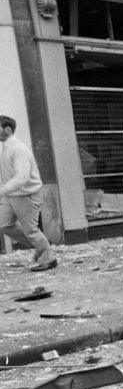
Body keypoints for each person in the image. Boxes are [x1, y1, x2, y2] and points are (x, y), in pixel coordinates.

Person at [0, 115, 57, 272]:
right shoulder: (5, 147)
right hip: (12, 195)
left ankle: (48, 258)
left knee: (30, 230)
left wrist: (2, 191)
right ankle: (42, 244)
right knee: (3, 224)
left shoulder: (17, 148)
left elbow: (22, 178)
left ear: (8, 129)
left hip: (27, 194)